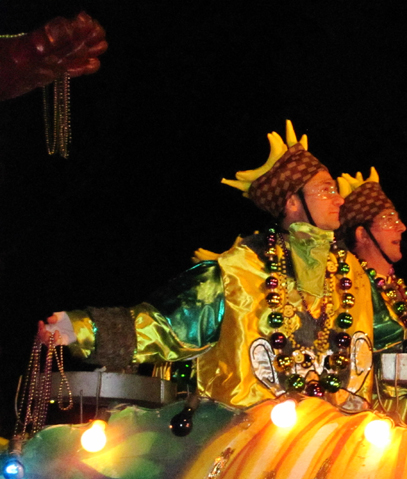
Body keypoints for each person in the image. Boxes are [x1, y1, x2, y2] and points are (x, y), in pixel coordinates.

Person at [40, 121, 374, 410]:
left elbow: (390, 339)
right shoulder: (238, 270)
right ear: (292, 202)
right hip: (252, 438)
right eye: (326, 190)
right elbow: (165, 327)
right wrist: (81, 328)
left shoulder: (353, 275)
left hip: (343, 440)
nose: (339, 199)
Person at [336, 168, 407, 423]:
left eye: (397, 219)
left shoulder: (405, 295)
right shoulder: (350, 289)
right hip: (377, 418)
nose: (401, 227)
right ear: (362, 234)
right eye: (389, 220)